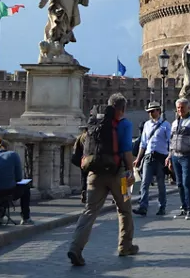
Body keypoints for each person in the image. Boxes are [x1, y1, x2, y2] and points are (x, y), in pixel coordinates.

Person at [68, 94, 137, 267]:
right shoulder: (125, 124)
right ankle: (125, 246)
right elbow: (127, 152)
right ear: (123, 109)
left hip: (95, 173)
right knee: (125, 209)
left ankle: (75, 247)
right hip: (119, 175)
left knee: (89, 211)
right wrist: (130, 172)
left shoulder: (94, 123)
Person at [166, 98, 190, 219]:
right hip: (176, 156)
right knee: (179, 184)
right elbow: (171, 141)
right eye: (178, 108)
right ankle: (183, 207)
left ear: (188, 108)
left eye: (182, 107)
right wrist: (169, 156)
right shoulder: (174, 123)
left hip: (188, 156)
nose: (180, 110)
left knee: (187, 182)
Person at [0, 137, 32, 225]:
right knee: (25, 188)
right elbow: (18, 178)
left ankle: (0, 214)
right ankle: (26, 217)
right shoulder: (13, 155)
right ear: (7, 147)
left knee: (4, 187)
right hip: (8, 191)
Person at [132, 101, 172, 217]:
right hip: (148, 157)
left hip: (161, 157)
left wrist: (169, 157)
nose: (150, 113)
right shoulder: (147, 125)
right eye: (149, 112)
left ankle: (162, 206)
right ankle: (143, 206)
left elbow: (170, 142)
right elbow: (143, 143)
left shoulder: (166, 125)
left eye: (152, 111)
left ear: (158, 111)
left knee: (160, 184)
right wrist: (138, 159)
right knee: (144, 183)